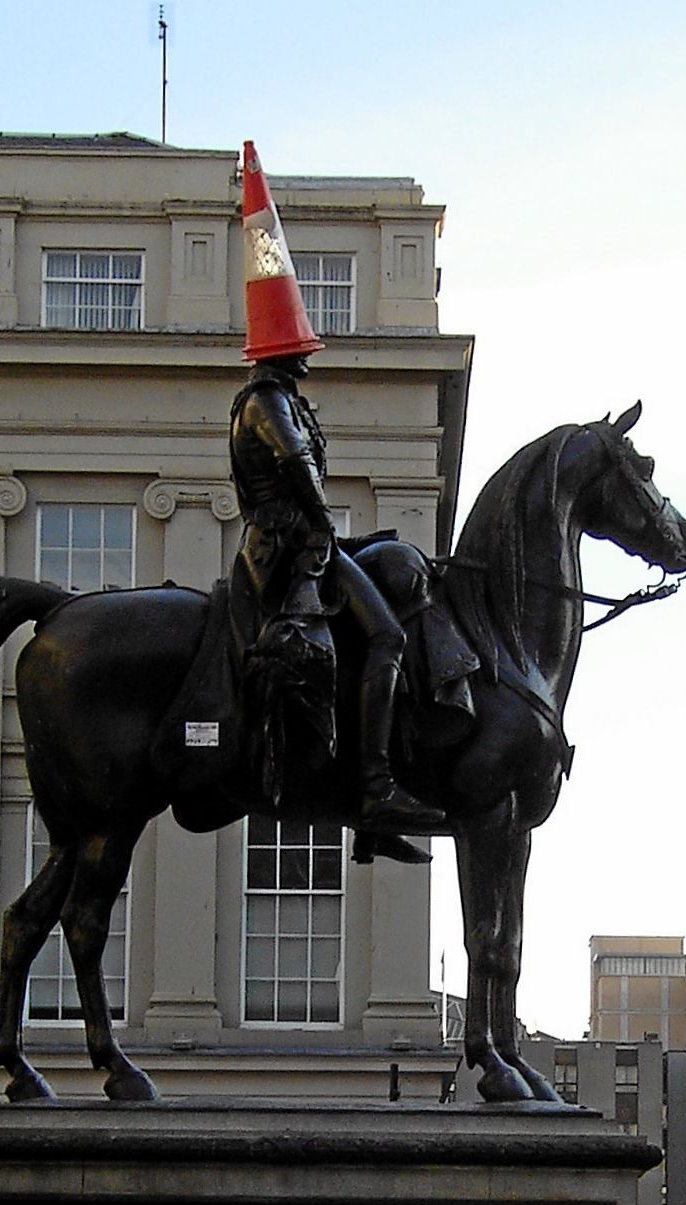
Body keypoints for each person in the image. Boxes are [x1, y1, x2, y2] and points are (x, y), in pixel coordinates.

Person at [230, 142, 444, 839]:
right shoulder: (269, 403)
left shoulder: (278, 397)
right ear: (282, 347)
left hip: (306, 543)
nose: (308, 354)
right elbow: (298, 473)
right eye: (301, 343)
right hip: (289, 550)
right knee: (384, 638)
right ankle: (376, 787)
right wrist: (327, 530)